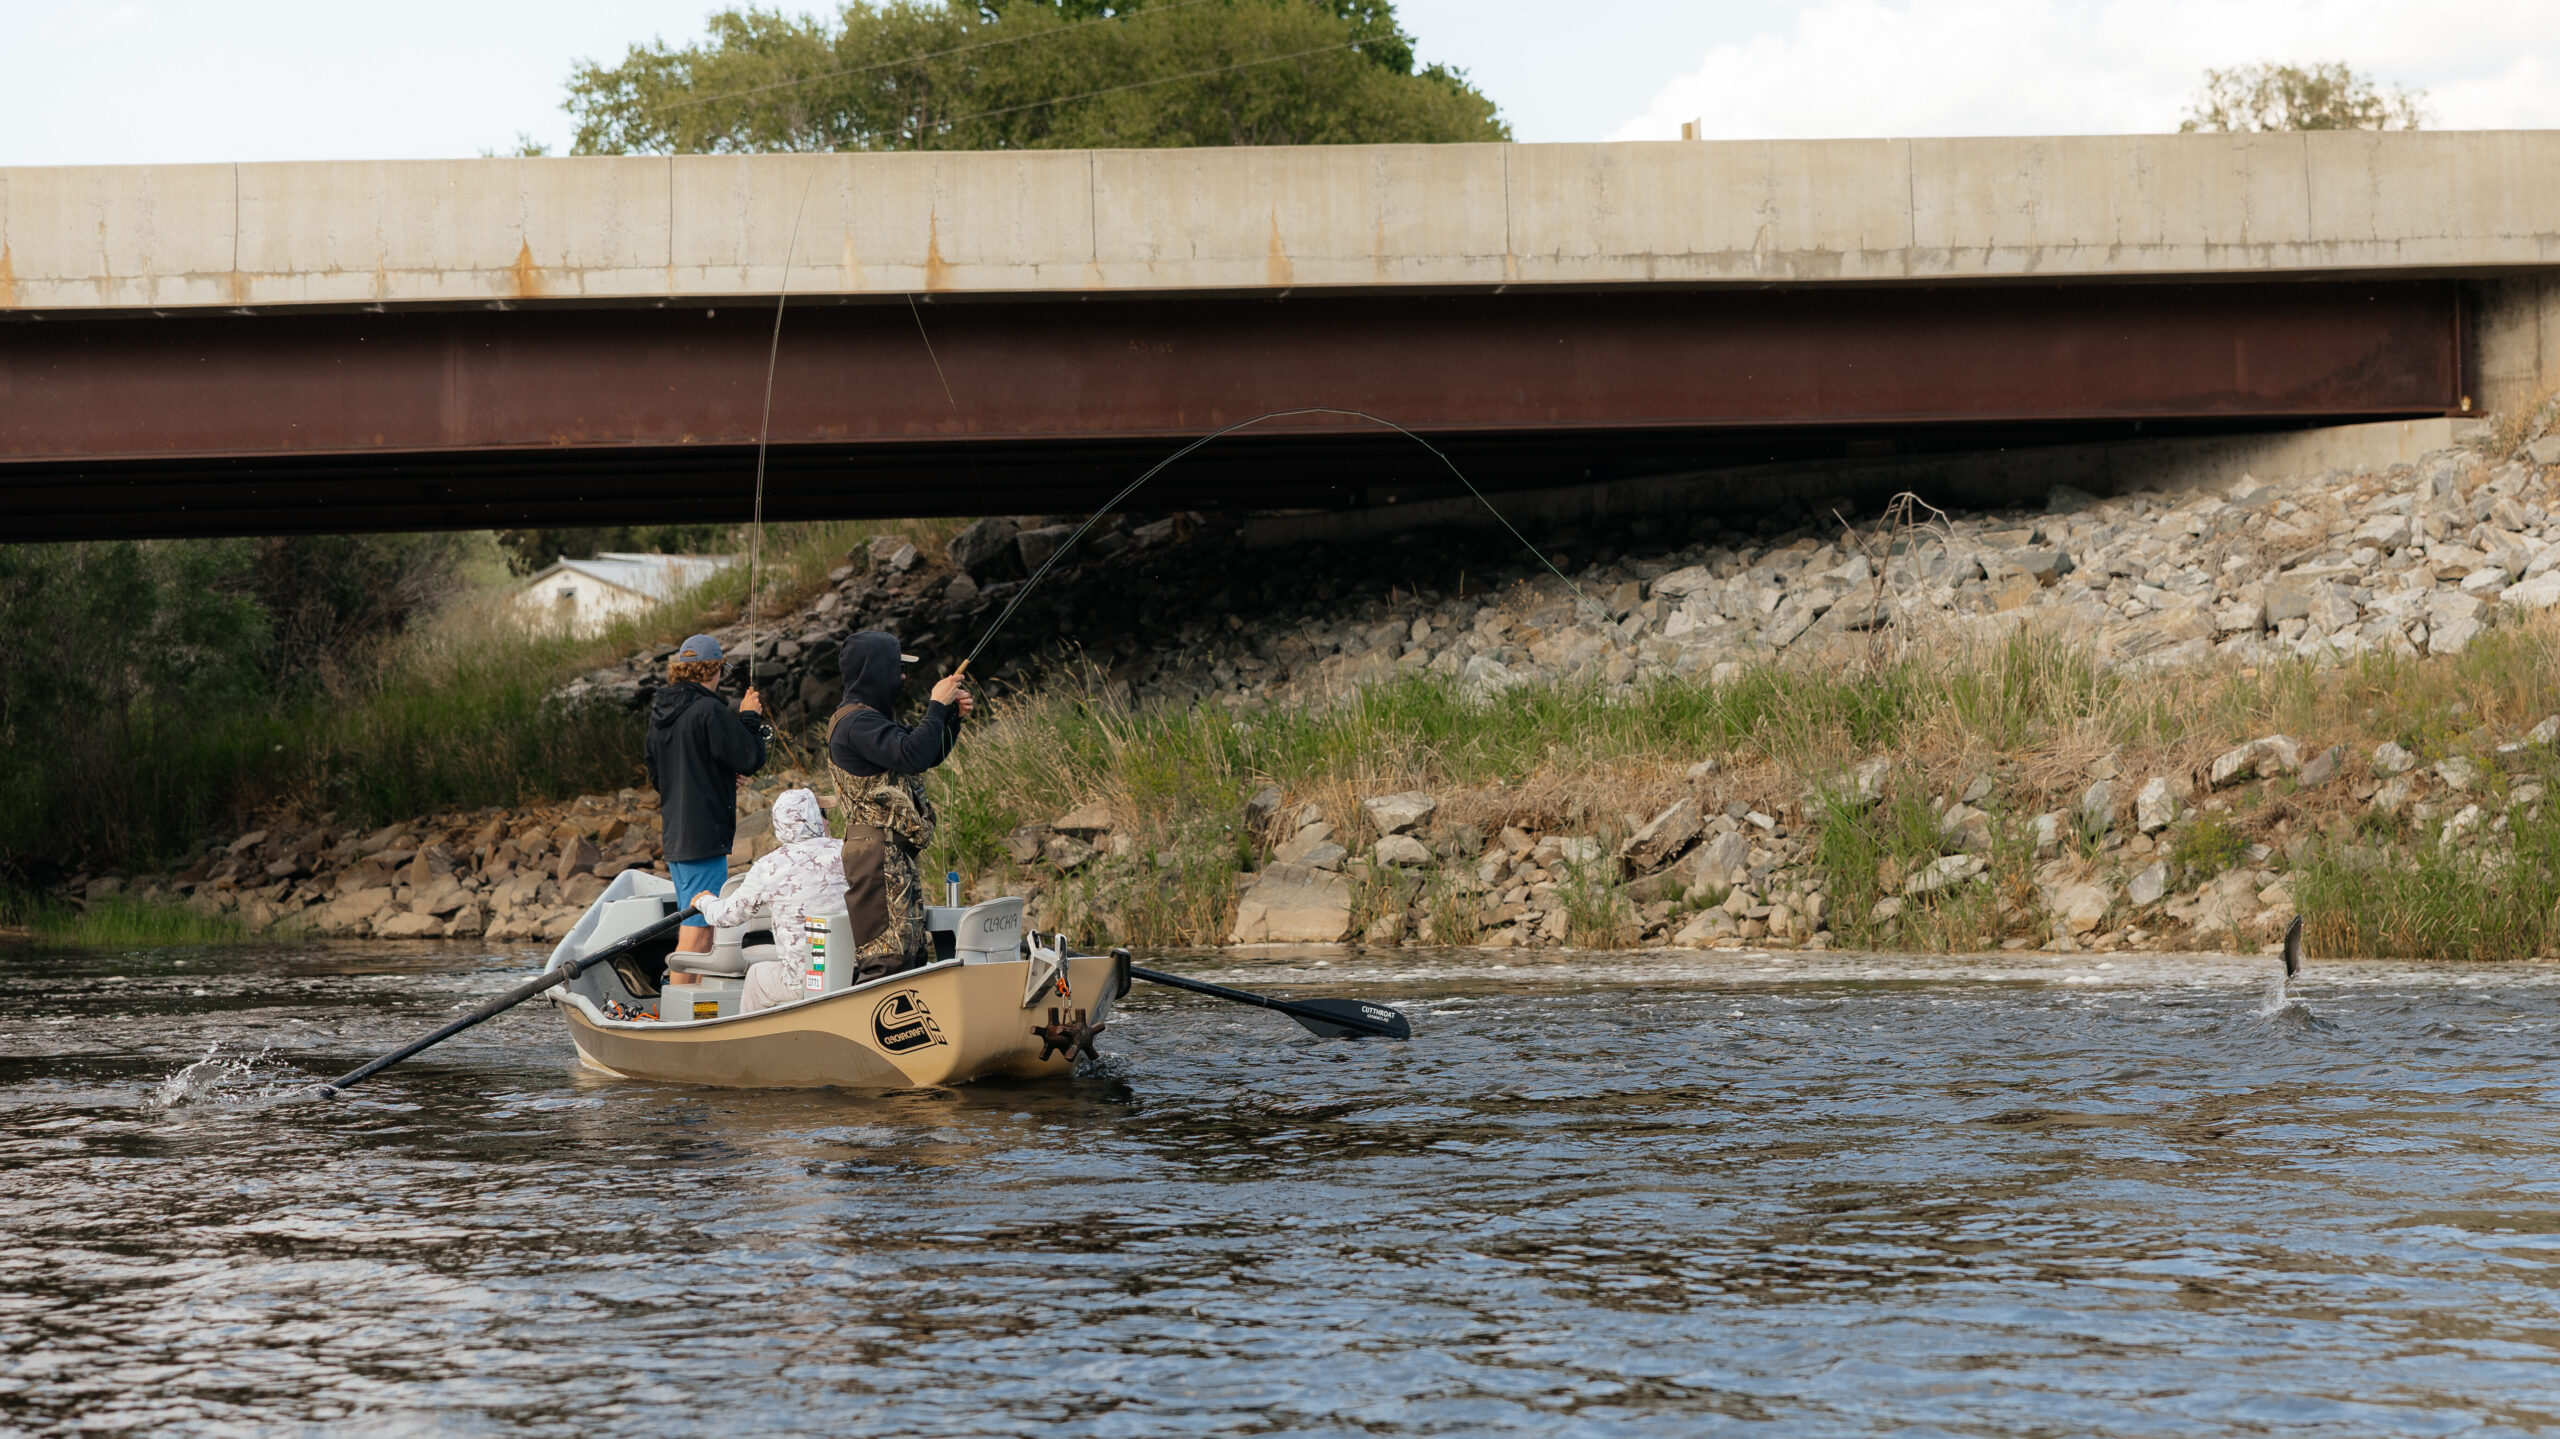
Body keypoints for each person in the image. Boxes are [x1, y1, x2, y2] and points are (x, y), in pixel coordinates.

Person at [826, 631, 973, 981]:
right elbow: (913, 752)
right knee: (887, 961)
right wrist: (936, 705)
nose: (902, 677)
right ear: (874, 671)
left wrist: (951, 717)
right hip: (876, 856)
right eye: (896, 668)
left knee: (908, 957)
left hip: (890, 856)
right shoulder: (855, 723)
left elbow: (925, 753)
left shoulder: (870, 720)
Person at [643, 633, 769, 979]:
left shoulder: (660, 715)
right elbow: (750, 756)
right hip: (703, 838)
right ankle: (679, 1005)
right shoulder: (710, 710)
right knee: (699, 931)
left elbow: (663, 776)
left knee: (698, 922)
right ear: (715, 669)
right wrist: (749, 718)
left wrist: (722, 777)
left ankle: (690, 1003)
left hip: (677, 836)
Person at [690, 789, 844, 1013]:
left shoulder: (769, 866)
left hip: (807, 980)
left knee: (756, 975)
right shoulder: (846, 851)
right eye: (823, 813)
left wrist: (704, 902)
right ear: (812, 819)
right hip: (851, 970)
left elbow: (727, 916)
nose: (827, 820)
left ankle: (748, 1041)